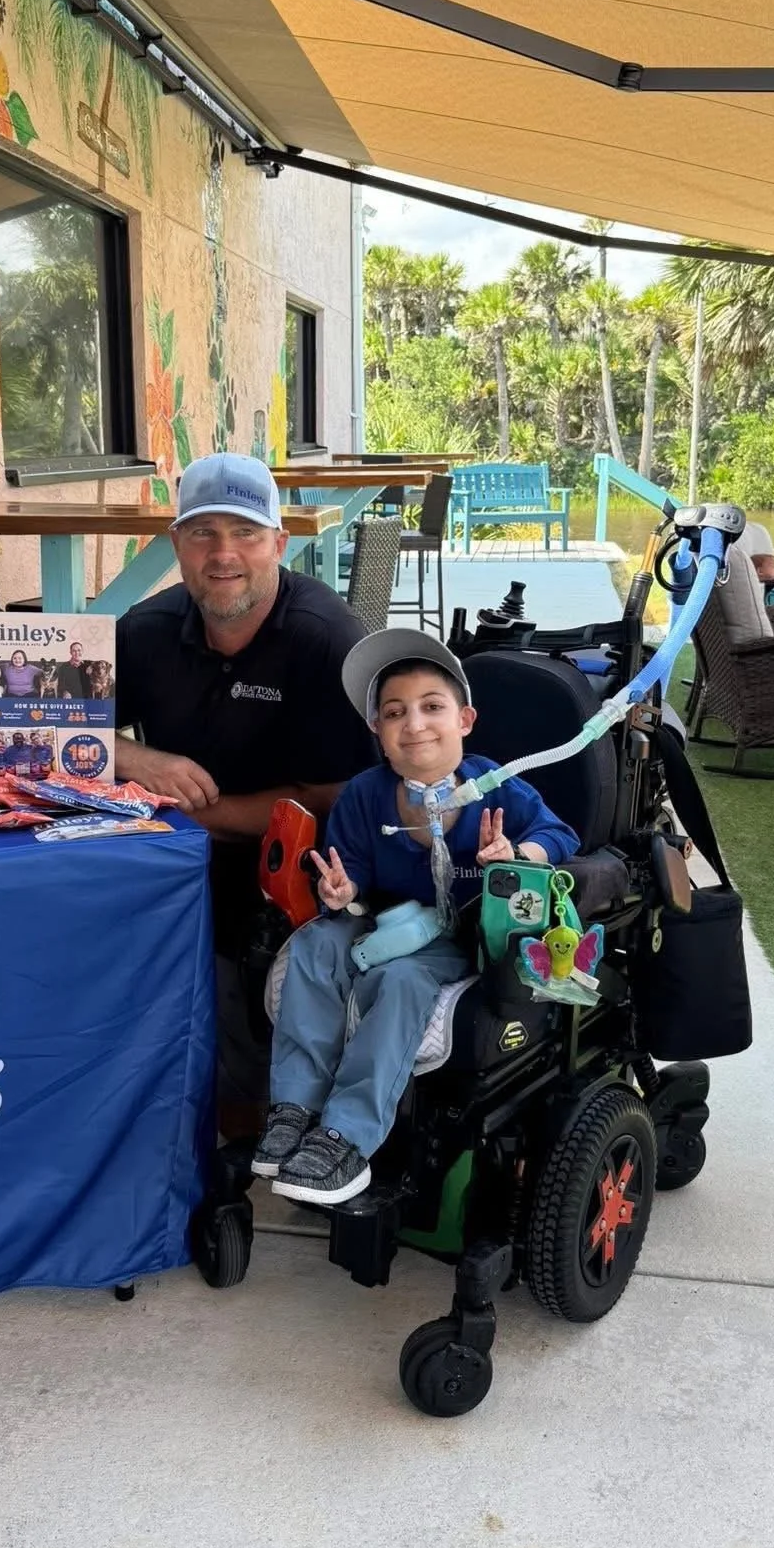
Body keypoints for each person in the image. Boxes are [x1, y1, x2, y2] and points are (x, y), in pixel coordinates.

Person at [253, 628, 579, 1205]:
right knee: (312, 946)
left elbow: (560, 833)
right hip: (384, 920)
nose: (415, 725)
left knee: (399, 980)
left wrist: (517, 856)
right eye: (394, 713)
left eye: (433, 708)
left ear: (465, 720)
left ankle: (346, 1135)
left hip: (461, 934)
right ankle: (294, 1107)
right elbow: (347, 864)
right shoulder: (366, 793)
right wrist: (339, 887)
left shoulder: (495, 788)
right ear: (377, 730)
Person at [114, 453, 378, 1129]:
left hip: (295, 874)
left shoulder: (327, 641)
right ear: (176, 545)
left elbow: (339, 796)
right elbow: (42, 728)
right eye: (202, 533)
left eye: (245, 533)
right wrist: (136, 755)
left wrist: (196, 817)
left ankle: (244, 1127)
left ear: (280, 545)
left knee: (242, 1038)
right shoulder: (143, 632)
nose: (223, 554)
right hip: (168, 854)